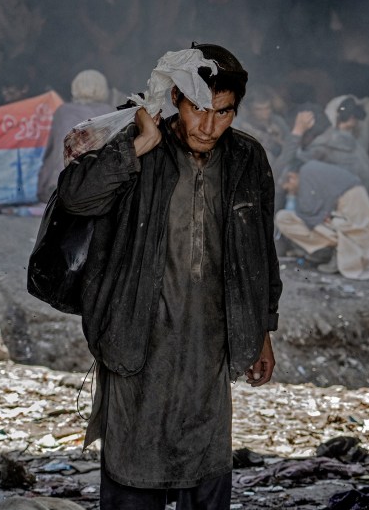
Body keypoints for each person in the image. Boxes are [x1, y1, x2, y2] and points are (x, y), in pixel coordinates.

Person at [57, 44, 281, 509]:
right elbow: (76, 197)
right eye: (198, 109)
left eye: (223, 113)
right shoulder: (141, 146)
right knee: (134, 471)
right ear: (175, 98)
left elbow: (261, 249)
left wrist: (263, 329)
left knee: (207, 467)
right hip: (138, 336)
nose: (209, 126)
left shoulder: (246, 159)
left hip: (209, 341)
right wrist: (139, 145)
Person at [279, 99, 369, 230]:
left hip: (363, 218)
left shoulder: (322, 147)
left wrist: (297, 132)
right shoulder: (339, 137)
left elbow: (283, 168)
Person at [275, 159, 369, 279]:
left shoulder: (306, 173)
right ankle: (332, 250)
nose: (290, 192)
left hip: (350, 211)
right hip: (345, 210)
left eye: (288, 188)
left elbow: (308, 212)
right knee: (288, 218)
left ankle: (336, 252)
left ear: (292, 177)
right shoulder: (311, 171)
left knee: (287, 219)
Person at [36, 69, 115, 203]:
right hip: (97, 185)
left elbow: (50, 149)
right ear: (102, 89)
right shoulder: (109, 112)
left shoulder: (62, 111)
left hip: (58, 183)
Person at [232, 85, 290, 160]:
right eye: (259, 109)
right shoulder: (241, 125)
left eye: (267, 108)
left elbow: (291, 145)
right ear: (251, 110)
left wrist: (279, 141)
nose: (264, 112)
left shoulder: (278, 121)